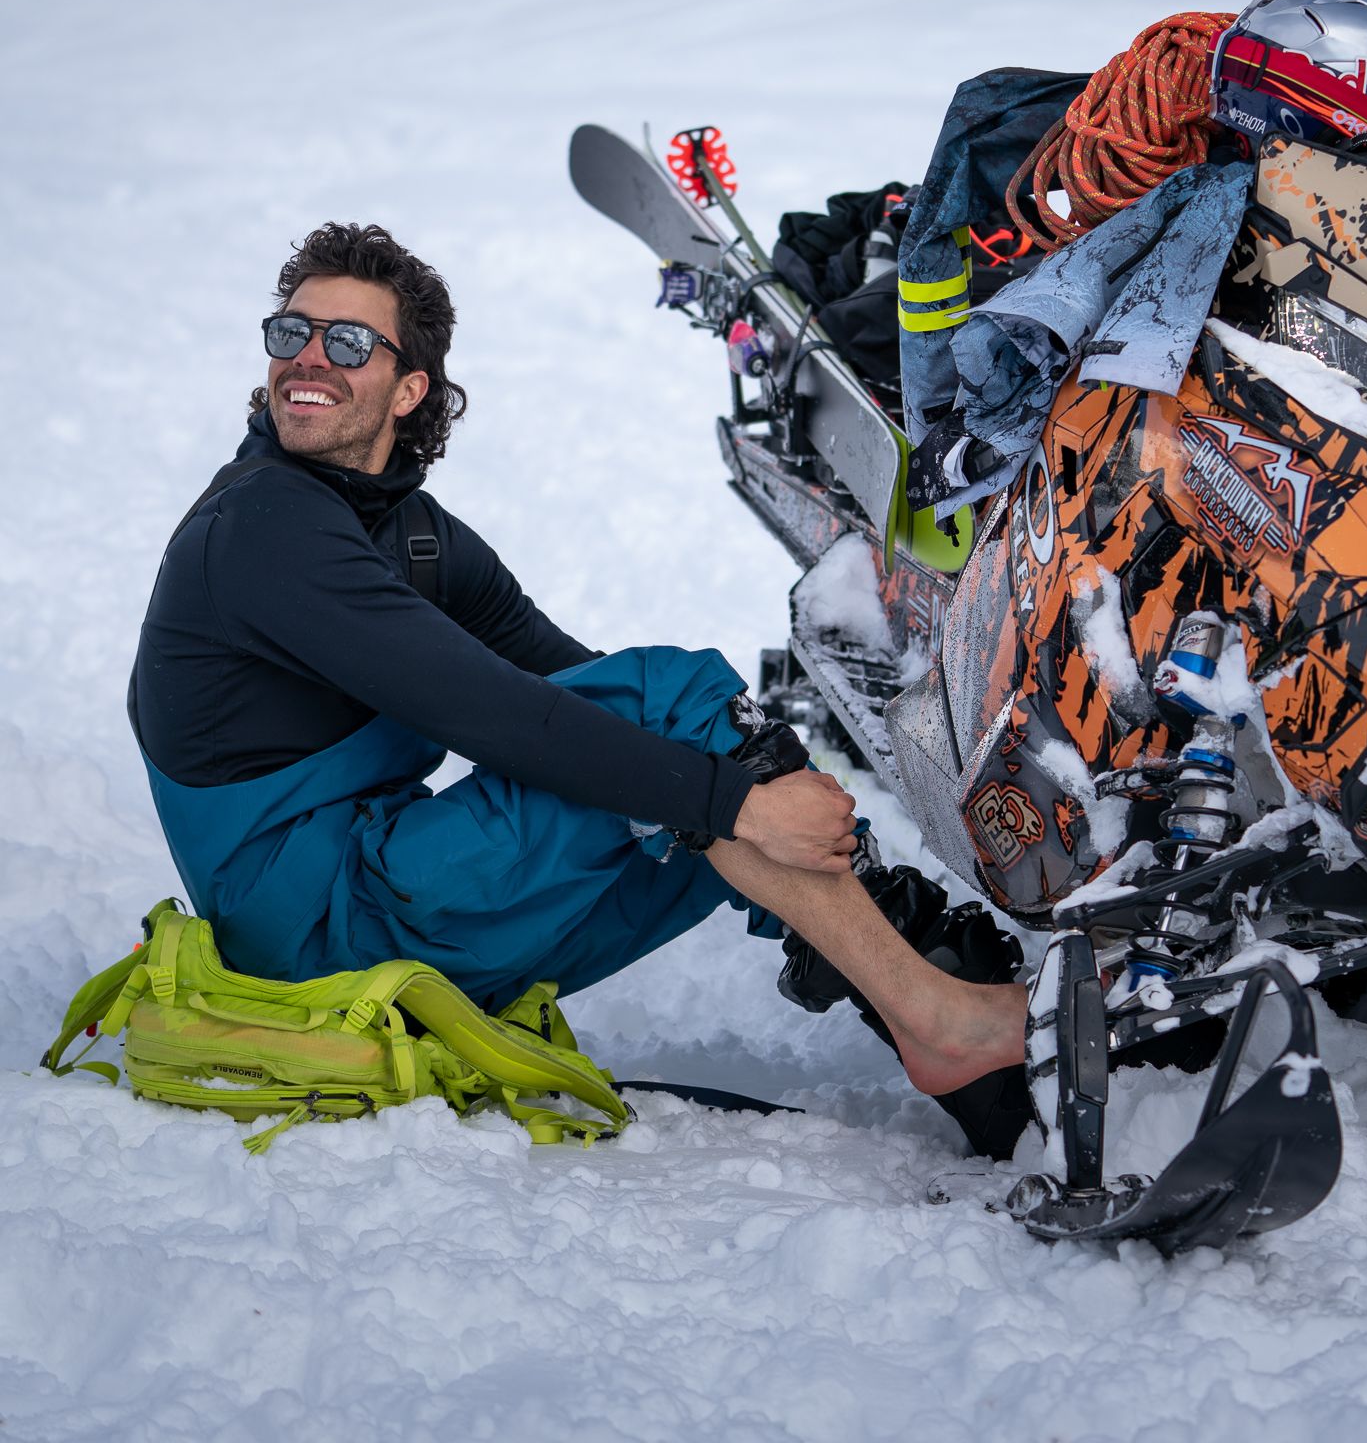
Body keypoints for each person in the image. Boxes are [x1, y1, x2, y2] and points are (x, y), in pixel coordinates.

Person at [129, 221, 1027, 1126]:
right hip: (321, 942)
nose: (307, 359)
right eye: (292, 333)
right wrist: (738, 799)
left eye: (347, 341)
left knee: (690, 771)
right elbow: (499, 716)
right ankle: (943, 1014)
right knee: (696, 772)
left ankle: (964, 1029)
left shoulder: (409, 531)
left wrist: (748, 779)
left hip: (383, 894)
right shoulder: (263, 531)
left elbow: (579, 683)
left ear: (410, 389)